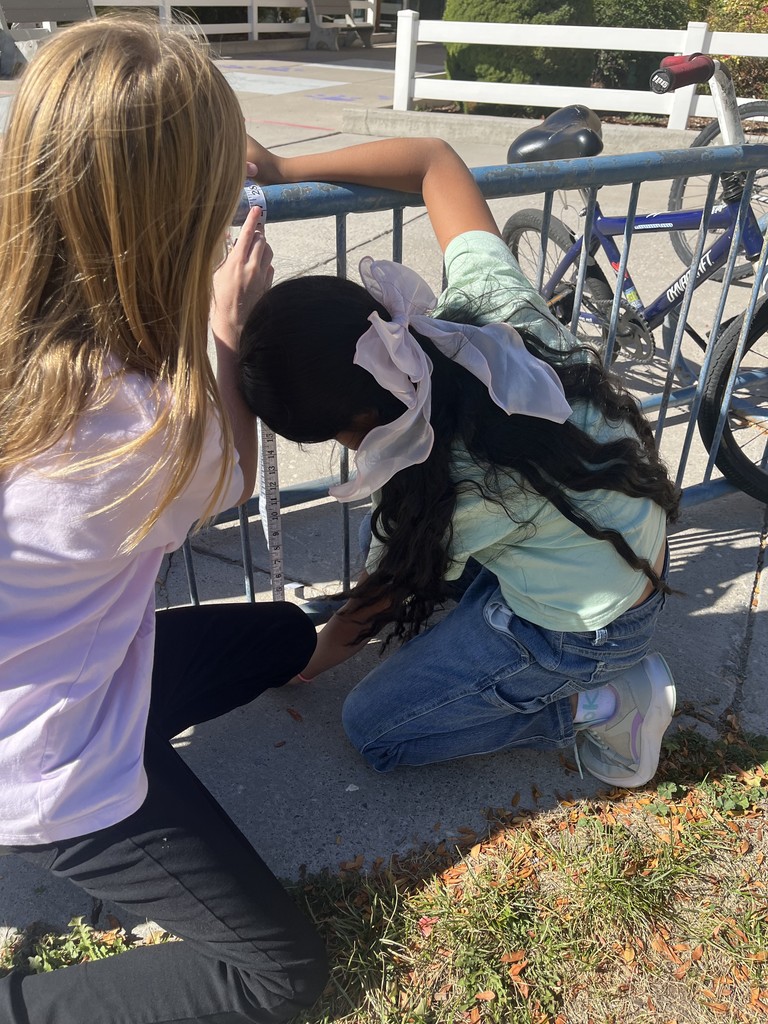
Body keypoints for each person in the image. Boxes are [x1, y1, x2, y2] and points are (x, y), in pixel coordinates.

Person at [0, 17, 327, 1024]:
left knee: (283, 632)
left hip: (73, 668)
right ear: (183, 222)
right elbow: (225, 474)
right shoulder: (137, 431)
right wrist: (227, 333)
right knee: (283, 973)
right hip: (43, 754)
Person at [238, 136, 679, 790]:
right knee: (393, 538)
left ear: (358, 423)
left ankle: (604, 704)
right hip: (615, 551)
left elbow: (361, 620)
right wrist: (282, 168)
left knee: (376, 727)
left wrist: (298, 665)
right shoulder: (484, 310)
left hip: (587, 632)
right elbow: (434, 162)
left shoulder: (443, 488)